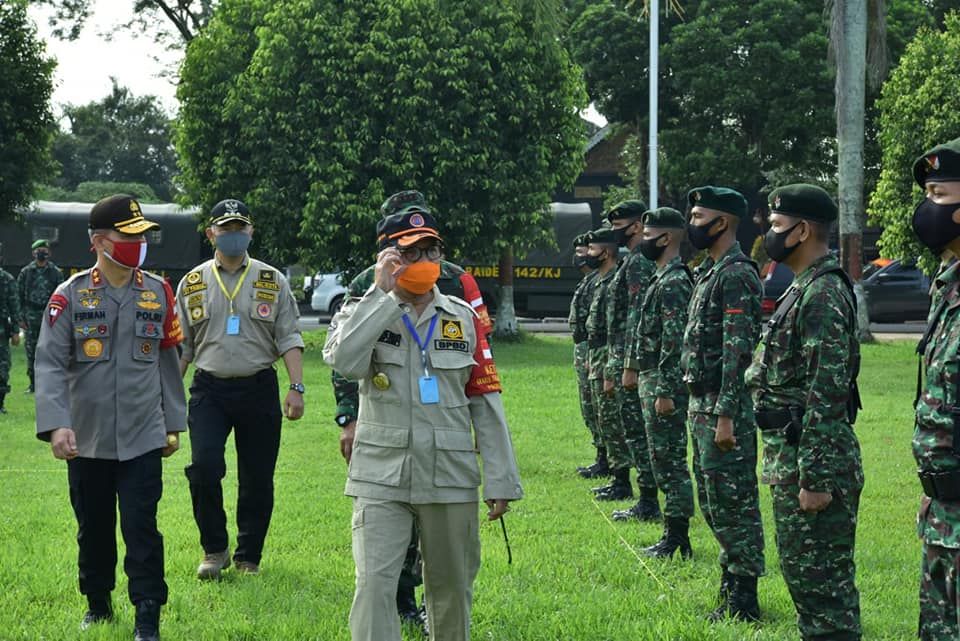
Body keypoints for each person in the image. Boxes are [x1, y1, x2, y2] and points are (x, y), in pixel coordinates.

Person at [323, 204, 522, 641]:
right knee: (374, 586)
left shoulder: (463, 317)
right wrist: (385, 297)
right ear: (387, 259)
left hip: (449, 473)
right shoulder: (361, 310)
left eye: (432, 252)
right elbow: (344, 360)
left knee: (451, 589)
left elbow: (485, 399)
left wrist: (502, 478)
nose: (426, 263)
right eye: (412, 253)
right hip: (381, 473)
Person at [33, 194, 186, 641]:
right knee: (94, 528)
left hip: (142, 435)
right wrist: (57, 424)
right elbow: (49, 363)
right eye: (128, 235)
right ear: (100, 242)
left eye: (142, 235)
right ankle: (97, 603)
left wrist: (172, 423)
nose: (139, 243)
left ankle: (147, 616)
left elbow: (166, 361)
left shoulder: (157, 292)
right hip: (88, 437)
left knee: (142, 527)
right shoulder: (70, 295)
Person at [745, 184, 863, 640]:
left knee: (825, 598)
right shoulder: (802, 287)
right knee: (807, 589)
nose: (770, 236)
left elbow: (826, 393)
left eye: (776, 227)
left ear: (803, 230)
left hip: (811, 464)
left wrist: (815, 479)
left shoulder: (823, 294)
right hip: (789, 460)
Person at [176, 198, 305, 580]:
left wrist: (296, 387)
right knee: (203, 468)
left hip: (259, 387)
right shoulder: (194, 281)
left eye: (240, 228)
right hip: (209, 390)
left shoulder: (272, 279)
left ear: (250, 231)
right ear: (210, 233)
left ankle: (249, 556)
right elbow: (183, 344)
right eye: (225, 228)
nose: (233, 235)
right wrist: (165, 394)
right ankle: (214, 549)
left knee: (257, 476)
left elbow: (289, 337)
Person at [680, 185, 765, 621]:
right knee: (714, 499)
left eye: (699, 216)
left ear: (723, 223)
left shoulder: (736, 273)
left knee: (734, 501)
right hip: (702, 403)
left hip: (722, 406)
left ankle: (744, 599)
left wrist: (727, 414)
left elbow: (738, 352)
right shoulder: (709, 270)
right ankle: (729, 583)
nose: (692, 224)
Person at [910, 137, 960, 640]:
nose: (927, 209)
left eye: (940, 195)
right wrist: (934, 486)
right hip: (945, 507)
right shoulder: (947, 282)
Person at [625, 207, 696, 558]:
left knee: (669, 460)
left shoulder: (673, 282)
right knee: (659, 458)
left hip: (663, 382)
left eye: (649, 235)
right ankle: (671, 531)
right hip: (652, 379)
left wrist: (667, 389)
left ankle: (678, 537)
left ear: (666, 238)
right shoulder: (660, 277)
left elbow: (675, 341)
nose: (644, 242)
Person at [606, 200, 660, 521]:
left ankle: (649, 502)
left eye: (618, 226)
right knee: (632, 431)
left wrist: (631, 364)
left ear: (637, 226)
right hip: (622, 356)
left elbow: (639, 315)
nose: (615, 233)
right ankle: (645, 497)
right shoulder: (632, 261)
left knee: (638, 434)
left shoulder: (639, 262)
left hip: (633, 361)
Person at [584, 225, 630, 500]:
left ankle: (622, 479)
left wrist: (612, 366)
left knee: (612, 420)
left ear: (607, 251)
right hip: (599, 354)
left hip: (609, 356)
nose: (587, 254)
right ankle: (614, 473)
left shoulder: (615, 279)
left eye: (592, 249)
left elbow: (617, 327)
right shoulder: (602, 280)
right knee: (601, 417)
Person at [570, 232, 606, 478]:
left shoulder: (597, 282)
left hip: (593, 350)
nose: (580, 257)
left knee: (596, 407)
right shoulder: (587, 281)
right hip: (583, 348)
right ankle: (601, 457)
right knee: (589, 408)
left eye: (584, 251)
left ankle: (606, 460)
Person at [17, 238, 63, 393]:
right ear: (33, 253)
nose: (41, 253)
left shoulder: (55, 273)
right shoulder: (26, 272)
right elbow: (18, 297)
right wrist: (20, 318)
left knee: (49, 352)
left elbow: (61, 298)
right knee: (31, 352)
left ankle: (48, 384)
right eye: (38, 250)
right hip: (30, 317)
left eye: (44, 250)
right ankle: (33, 385)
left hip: (49, 317)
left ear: (49, 252)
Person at [0, 243, 21, 413]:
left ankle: (0, 404)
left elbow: (14, 306)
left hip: (1, 332)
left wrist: (15, 331)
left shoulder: (6, 279)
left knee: (2, 368)